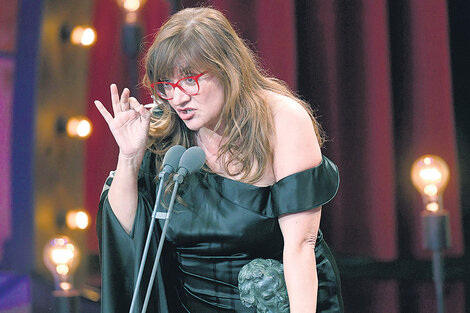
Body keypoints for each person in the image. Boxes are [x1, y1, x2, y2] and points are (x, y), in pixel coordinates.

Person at [95, 7, 343, 313]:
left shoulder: (283, 121)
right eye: (167, 85)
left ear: (227, 67)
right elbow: (127, 233)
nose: (178, 98)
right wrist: (129, 157)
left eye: (189, 80)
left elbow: (300, 246)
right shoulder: (165, 126)